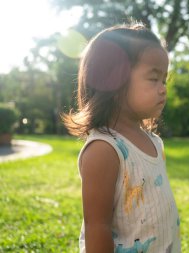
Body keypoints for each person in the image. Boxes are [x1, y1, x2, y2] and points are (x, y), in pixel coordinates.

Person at [62, 23, 181, 253]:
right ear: (114, 81)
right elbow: (97, 227)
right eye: (153, 78)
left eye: (164, 80)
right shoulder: (104, 149)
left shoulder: (154, 142)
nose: (163, 89)